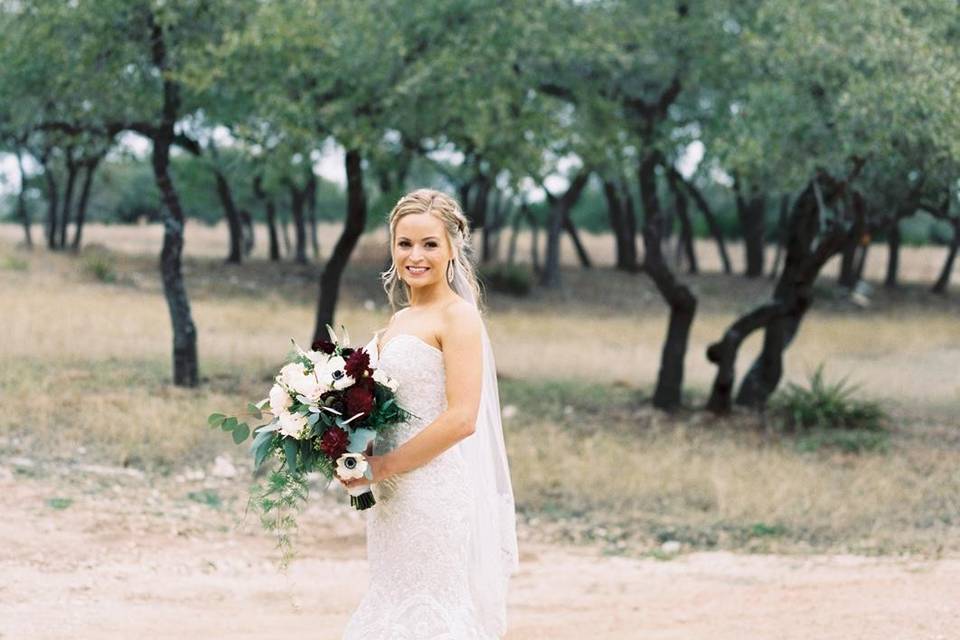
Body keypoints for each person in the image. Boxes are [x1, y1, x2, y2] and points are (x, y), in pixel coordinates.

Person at [340, 188, 520, 639]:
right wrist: (348, 451)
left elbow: (462, 418)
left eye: (429, 244)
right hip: (391, 498)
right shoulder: (399, 319)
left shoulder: (458, 317)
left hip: (433, 495)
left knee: (429, 613)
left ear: (452, 249)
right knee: (391, 604)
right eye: (405, 244)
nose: (415, 255)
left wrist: (383, 466)